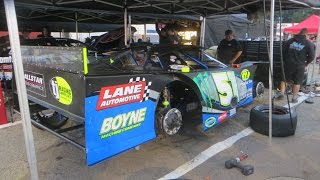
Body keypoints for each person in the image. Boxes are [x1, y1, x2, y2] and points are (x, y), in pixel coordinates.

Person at [277, 28, 315, 103]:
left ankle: (281, 93)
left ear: (299, 32)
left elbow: (283, 51)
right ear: (306, 34)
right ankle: (294, 98)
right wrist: (306, 62)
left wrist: (285, 60)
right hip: (300, 65)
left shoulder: (290, 41)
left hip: (288, 64)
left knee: (284, 79)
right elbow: (312, 56)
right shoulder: (308, 43)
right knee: (297, 82)